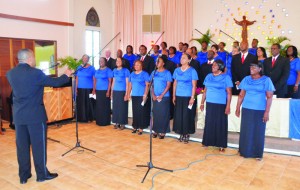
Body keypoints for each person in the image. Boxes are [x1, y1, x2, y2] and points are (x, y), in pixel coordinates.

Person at [6, 49, 72, 184]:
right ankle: (42, 175)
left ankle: (23, 176)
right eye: (34, 57)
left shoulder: (10, 73)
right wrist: (66, 75)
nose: (34, 59)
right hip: (35, 117)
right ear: (29, 58)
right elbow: (56, 83)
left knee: (22, 147)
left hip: (19, 117)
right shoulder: (36, 73)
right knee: (38, 146)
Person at [235, 61, 275, 160]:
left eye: (254, 67)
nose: (251, 68)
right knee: (246, 130)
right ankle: (244, 151)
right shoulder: (246, 79)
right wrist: (237, 107)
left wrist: (267, 112)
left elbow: (269, 97)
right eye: (251, 67)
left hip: (259, 110)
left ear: (260, 69)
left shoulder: (266, 80)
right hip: (247, 108)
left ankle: (257, 153)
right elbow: (241, 95)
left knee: (258, 131)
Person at [200, 60, 233, 151]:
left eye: (215, 65)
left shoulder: (226, 77)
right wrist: (202, 102)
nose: (212, 66)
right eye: (212, 65)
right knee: (209, 123)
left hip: (221, 104)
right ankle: (207, 142)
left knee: (220, 124)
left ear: (220, 67)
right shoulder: (208, 76)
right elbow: (205, 91)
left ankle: (221, 144)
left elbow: (229, 93)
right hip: (210, 103)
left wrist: (228, 106)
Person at [173, 53, 198, 143]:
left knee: (187, 115)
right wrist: (174, 95)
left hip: (188, 96)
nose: (181, 59)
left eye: (184, 58)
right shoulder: (176, 70)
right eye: (181, 58)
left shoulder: (192, 71)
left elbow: (194, 85)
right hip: (179, 95)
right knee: (179, 115)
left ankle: (186, 133)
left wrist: (192, 97)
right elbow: (175, 83)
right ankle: (180, 132)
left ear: (188, 60)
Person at [151, 56, 173, 139]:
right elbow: (151, 85)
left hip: (164, 96)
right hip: (155, 96)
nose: (157, 63)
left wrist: (162, 95)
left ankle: (163, 131)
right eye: (156, 61)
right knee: (156, 114)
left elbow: (168, 85)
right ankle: (155, 130)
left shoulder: (167, 73)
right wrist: (153, 95)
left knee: (163, 114)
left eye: (159, 61)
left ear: (163, 63)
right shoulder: (154, 72)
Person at [128, 60, 150, 135]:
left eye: (138, 65)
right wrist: (128, 94)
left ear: (141, 66)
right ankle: (135, 126)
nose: (136, 66)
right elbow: (130, 85)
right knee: (135, 111)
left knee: (141, 112)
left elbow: (147, 85)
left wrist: (145, 94)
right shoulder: (132, 74)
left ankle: (141, 127)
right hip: (134, 95)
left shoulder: (145, 74)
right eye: (135, 65)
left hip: (141, 95)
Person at [111, 57, 130, 130]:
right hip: (115, 91)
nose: (117, 62)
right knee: (115, 107)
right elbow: (113, 82)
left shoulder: (126, 70)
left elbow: (127, 83)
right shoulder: (114, 70)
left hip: (122, 91)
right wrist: (111, 92)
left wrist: (126, 93)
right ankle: (116, 122)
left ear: (122, 62)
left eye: (119, 60)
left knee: (123, 108)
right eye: (116, 61)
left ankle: (122, 123)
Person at [76, 54, 96, 122]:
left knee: (88, 104)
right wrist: (76, 88)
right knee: (81, 104)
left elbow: (94, 79)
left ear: (88, 60)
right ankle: (81, 118)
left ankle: (89, 118)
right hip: (80, 88)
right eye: (84, 58)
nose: (85, 59)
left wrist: (94, 89)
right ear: (82, 59)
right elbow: (77, 78)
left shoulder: (92, 68)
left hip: (89, 89)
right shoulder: (78, 67)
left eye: (86, 58)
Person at [94, 57, 113, 126]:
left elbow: (110, 82)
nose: (101, 62)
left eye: (102, 61)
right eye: (99, 61)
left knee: (105, 106)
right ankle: (99, 121)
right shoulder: (97, 70)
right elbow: (95, 81)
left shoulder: (108, 70)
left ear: (105, 62)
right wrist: (94, 90)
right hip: (98, 90)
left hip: (105, 90)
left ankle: (105, 121)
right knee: (99, 106)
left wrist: (108, 91)